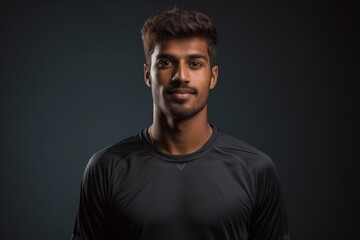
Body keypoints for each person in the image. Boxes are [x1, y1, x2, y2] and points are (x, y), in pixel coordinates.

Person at [71, 7, 290, 240]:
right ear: (148, 75)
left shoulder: (255, 169)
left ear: (213, 76)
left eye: (195, 64)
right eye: (166, 62)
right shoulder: (105, 168)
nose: (181, 76)